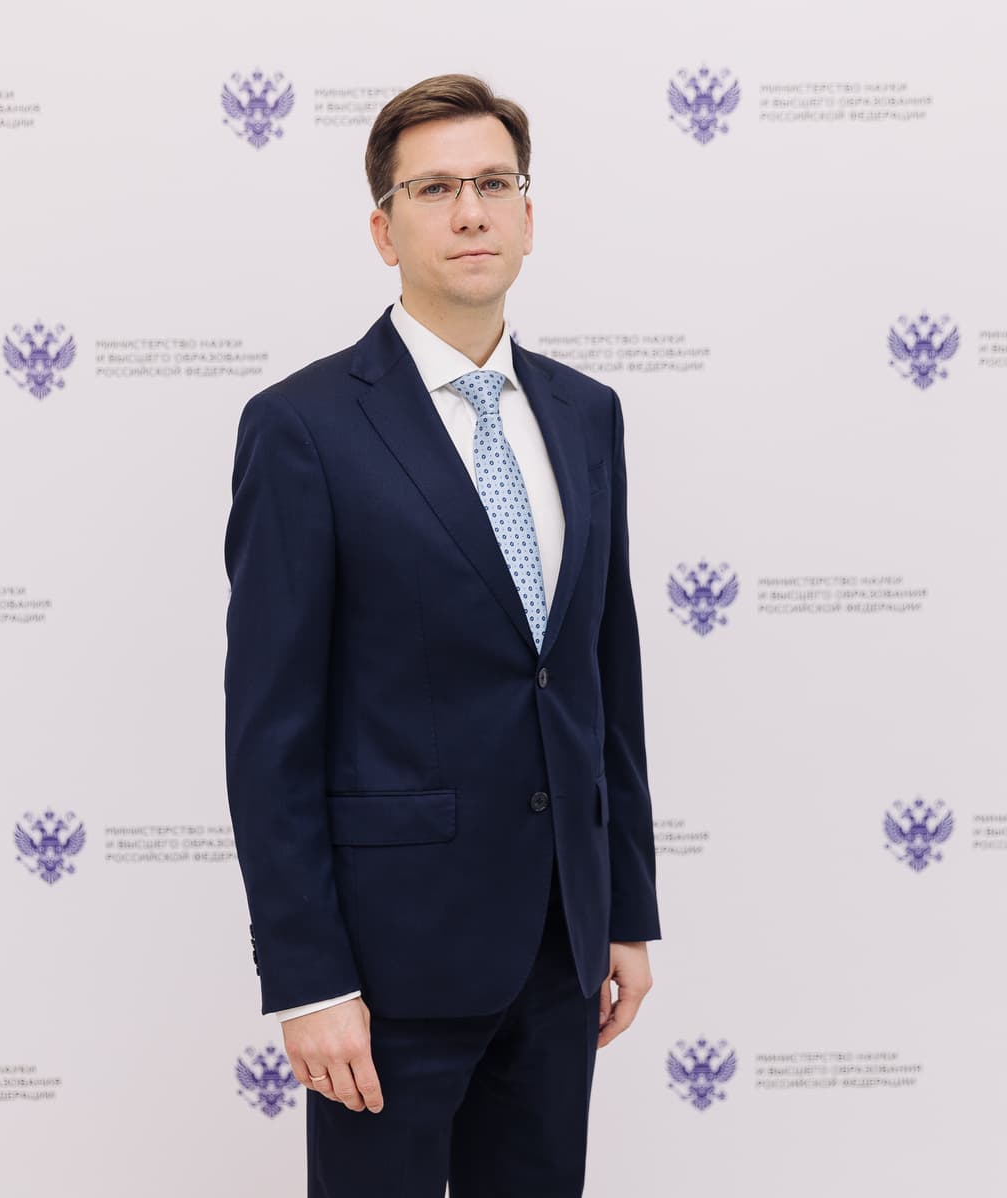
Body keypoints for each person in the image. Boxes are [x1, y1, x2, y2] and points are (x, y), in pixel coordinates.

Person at [223, 72, 661, 1196]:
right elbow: (271, 730)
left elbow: (602, 676)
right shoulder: (304, 428)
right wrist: (309, 979)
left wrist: (622, 910)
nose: (470, 212)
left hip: (562, 951)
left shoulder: (587, 414)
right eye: (434, 189)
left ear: (528, 215)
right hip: (388, 969)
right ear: (385, 230)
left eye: (494, 184)